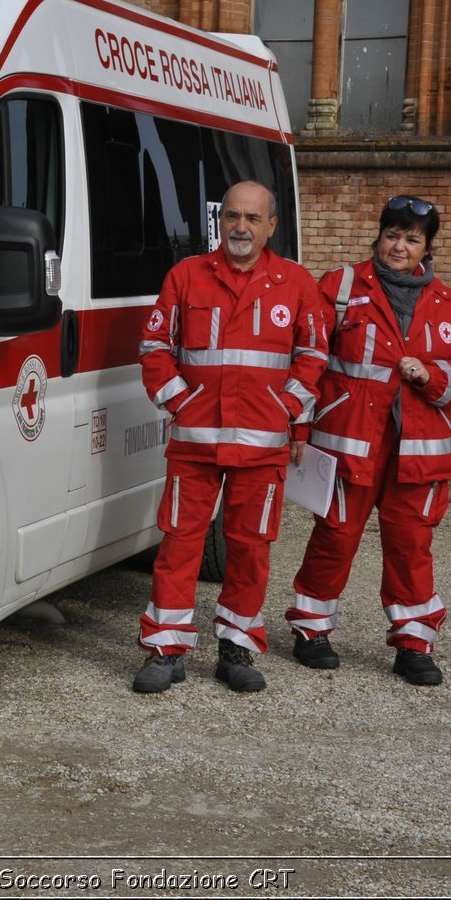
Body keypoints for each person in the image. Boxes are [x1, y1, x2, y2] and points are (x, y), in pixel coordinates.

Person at [134, 180, 326, 694]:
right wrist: (179, 402)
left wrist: (284, 410)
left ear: (271, 226)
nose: (241, 227)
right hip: (195, 444)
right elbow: (154, 346)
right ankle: (165, 649)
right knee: (179, 544)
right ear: (222, 221)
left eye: (253, 218)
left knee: (249, 549)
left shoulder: (295, 283)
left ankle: (236, 646)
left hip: (261, 448)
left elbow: (313, 357)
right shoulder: (187, 275)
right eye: (233, 217)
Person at [284, 196, 451, 686]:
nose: (399, 246)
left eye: (412, 239)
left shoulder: (445, 301)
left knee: (411, 546)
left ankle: (414, 643)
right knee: (334, 538)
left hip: (417, 450)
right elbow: (306, 359)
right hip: (351, 442)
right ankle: (311, 630)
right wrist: (299, 430)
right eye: (393, 235)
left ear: (427, 248)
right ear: (378, 237)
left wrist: (432, 376)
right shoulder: (340, 286)